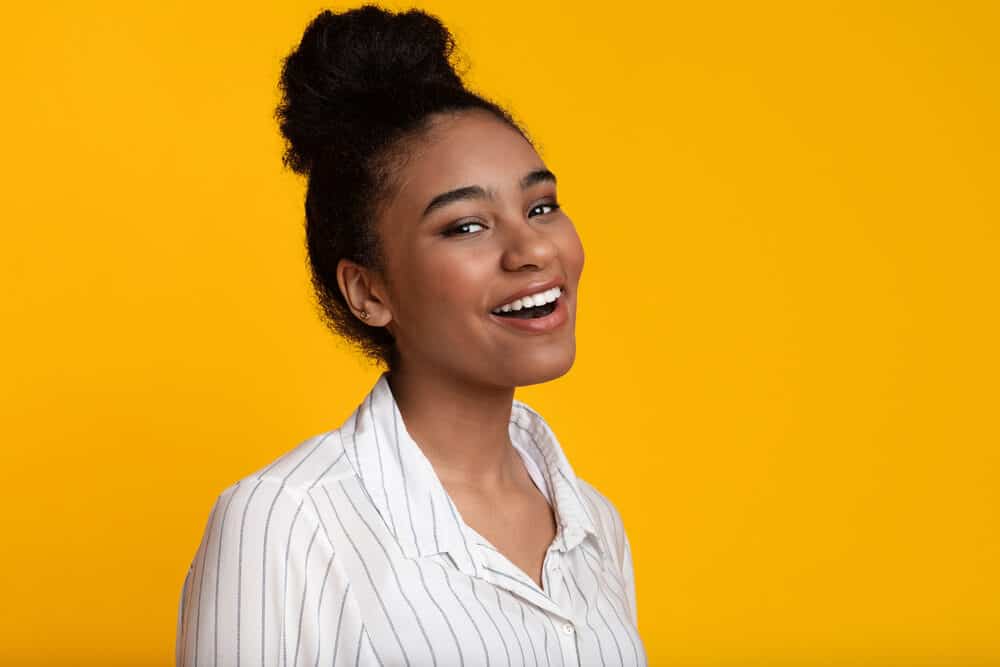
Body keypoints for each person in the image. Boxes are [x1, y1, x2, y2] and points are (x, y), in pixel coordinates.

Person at [175, 5, 646, 665]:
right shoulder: (286, 521)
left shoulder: (594, 526)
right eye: (466, 226)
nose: (533, 249)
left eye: (541, 206)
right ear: (369, 292)